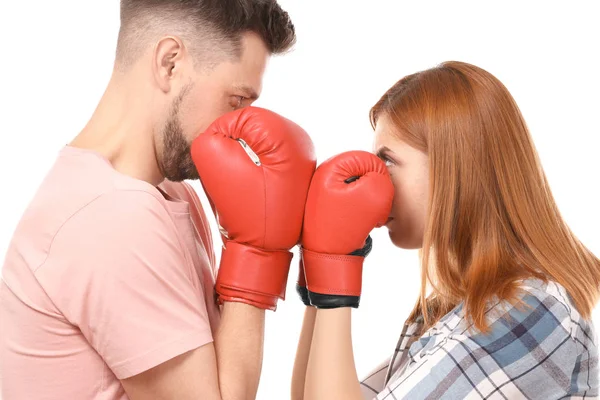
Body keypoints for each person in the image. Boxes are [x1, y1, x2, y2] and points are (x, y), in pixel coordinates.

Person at [0, 1, 314, 399]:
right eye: (236, 101)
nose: (238, 129)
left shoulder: (168, 192)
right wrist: (255, 251)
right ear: (170, 63)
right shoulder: (112, 218)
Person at [291, 61, 600, 399]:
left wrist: (336, 260)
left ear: (453, 168)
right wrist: (322, 257)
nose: (375, 180)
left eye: (388, 161)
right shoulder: (445, 313)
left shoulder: (532, 311)